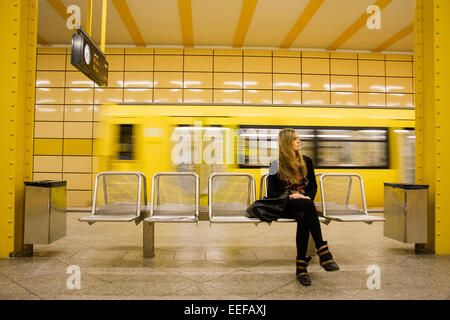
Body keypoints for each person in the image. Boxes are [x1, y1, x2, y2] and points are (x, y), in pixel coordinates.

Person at [267, 128, 339, 286]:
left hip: (304, 206)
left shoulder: (307, 161)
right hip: (285, 205)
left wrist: (307, 197)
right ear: (286, 143)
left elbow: (313, 187)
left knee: (303, 216)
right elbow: (271, 192)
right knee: (306, 207)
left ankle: (302, 269)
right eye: (295, 139)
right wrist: (291, 196)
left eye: (299, 138)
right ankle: (322, 252)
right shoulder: (274, 164)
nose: (299, 141)